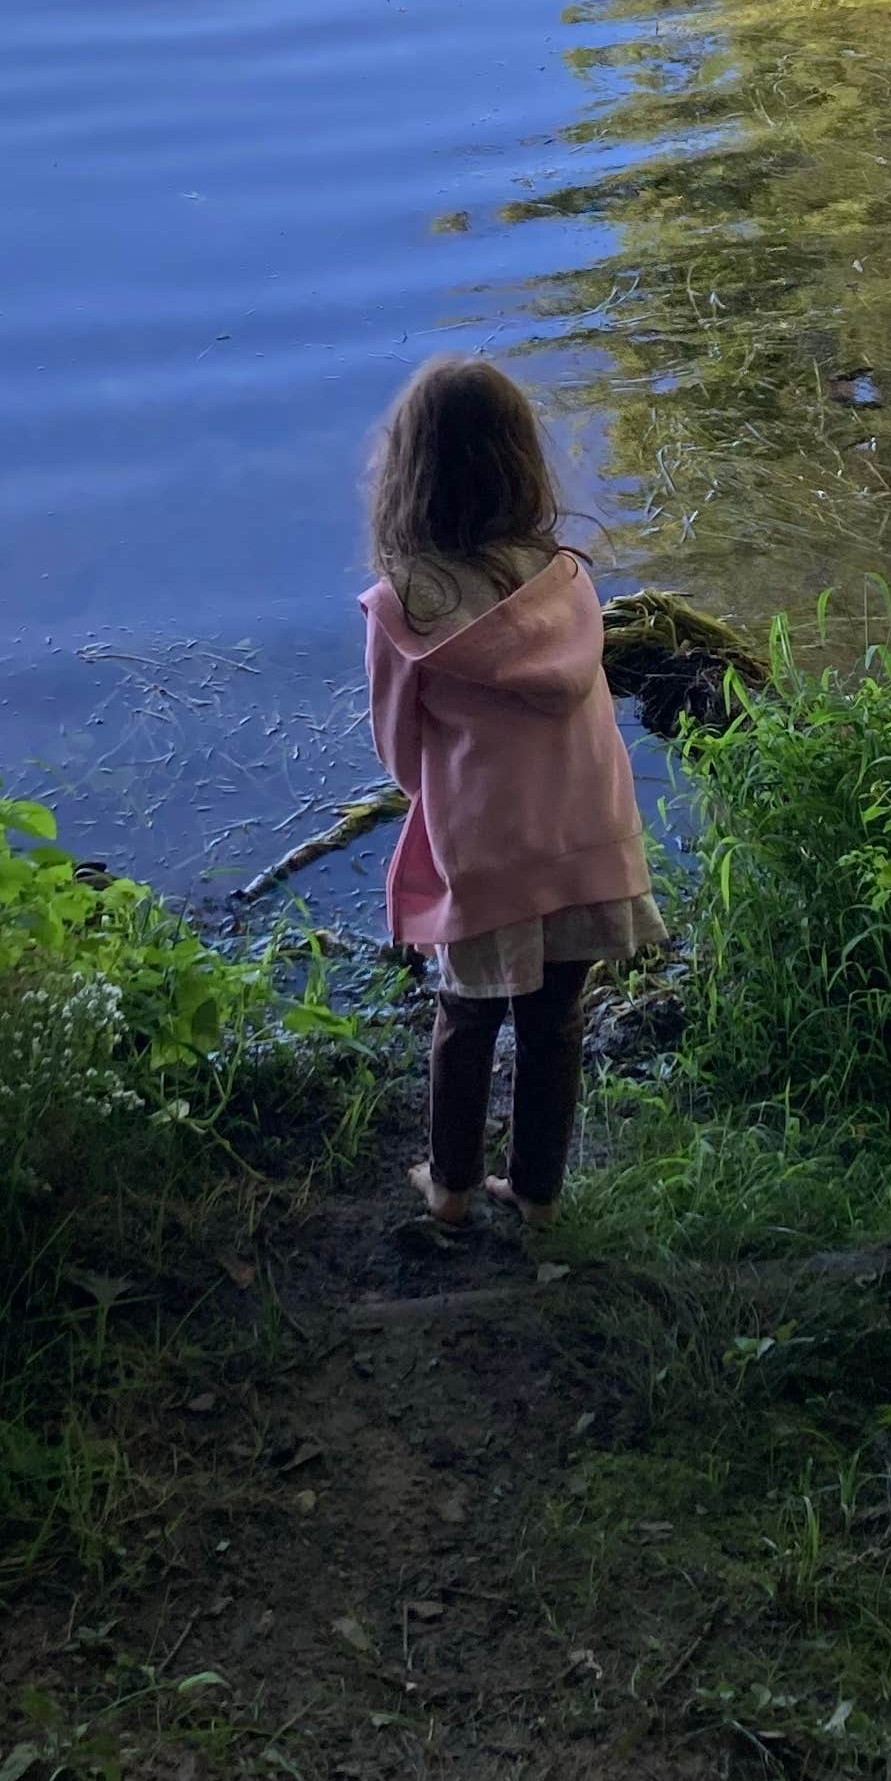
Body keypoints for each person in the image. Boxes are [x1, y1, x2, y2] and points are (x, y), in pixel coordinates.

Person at [361, 356, 664, 1227]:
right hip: (584, 832)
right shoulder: (565, 582)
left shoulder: (403, 607)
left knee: (465, 1011)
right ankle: (536, 1195)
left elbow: (399, 749)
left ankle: (451, 1187)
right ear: (518, 461)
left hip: (488, 847)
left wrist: (446, 801)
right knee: (555, 1018)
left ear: (408, 474)